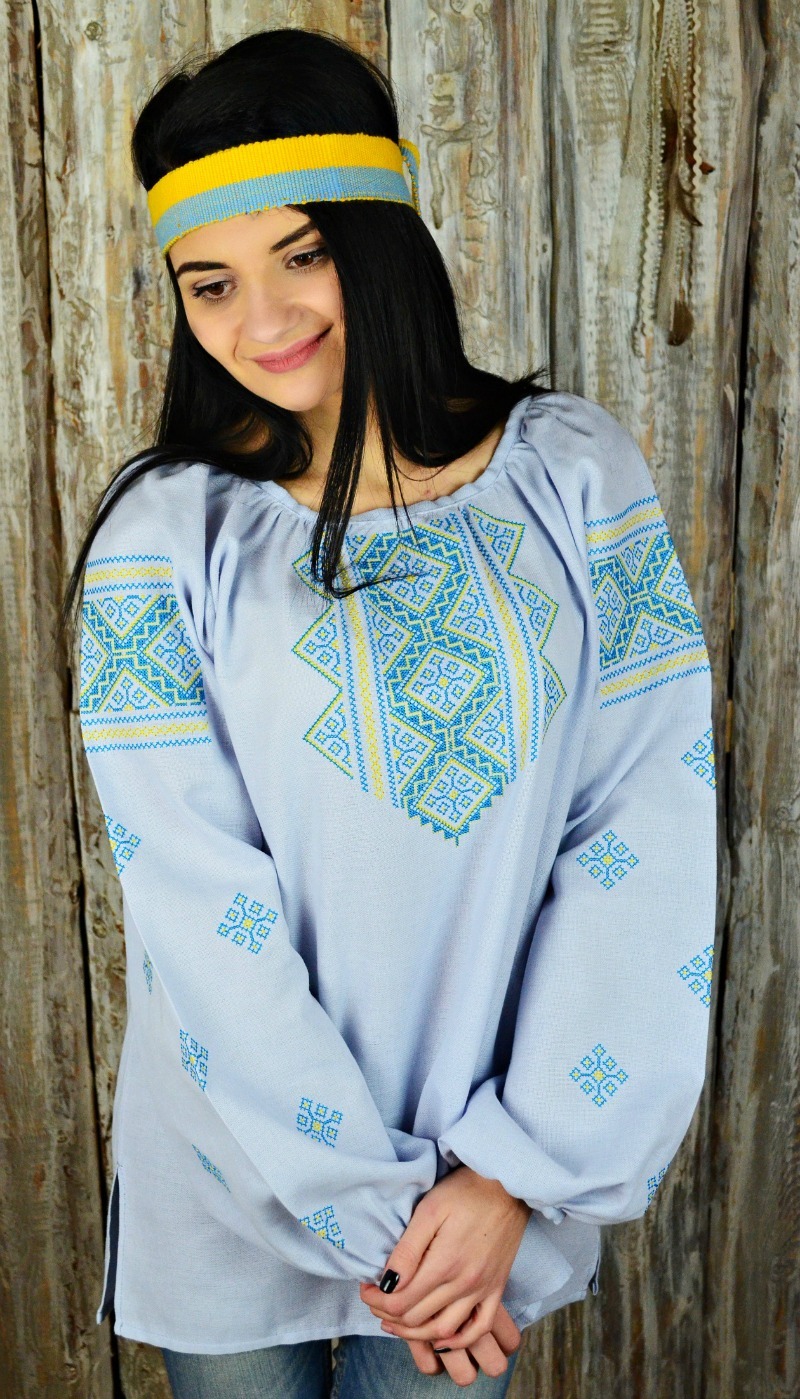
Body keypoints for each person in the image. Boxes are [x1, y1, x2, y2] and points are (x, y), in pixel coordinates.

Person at [60, 25, 718, 1399]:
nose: (263, 320)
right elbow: (195, 903)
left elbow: (641, 829)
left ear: (381, 242)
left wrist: (511, 1176)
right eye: (210, 284)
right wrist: (380, 1220)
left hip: (482, 1202)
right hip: (235, 1180)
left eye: (302, 256)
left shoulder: (574, 477)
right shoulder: (164, 541)